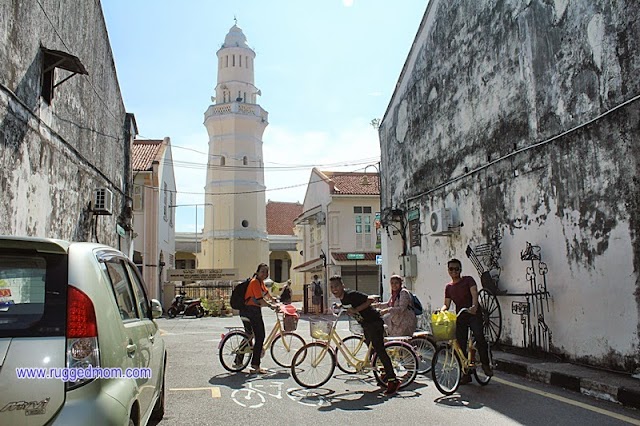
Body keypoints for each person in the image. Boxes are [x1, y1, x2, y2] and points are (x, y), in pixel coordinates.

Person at [329, 275, 402, 396]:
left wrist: (356, 310)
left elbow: (370, 300)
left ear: (342, 286)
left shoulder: (351, 294)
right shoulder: (343, 299)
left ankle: (393, 380)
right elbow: (349, 306)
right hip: (366, 325)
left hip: (374, 322)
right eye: (332, 287)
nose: (334, 289)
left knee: (380, 350)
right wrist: (340, 307)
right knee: (373, 351)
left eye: (336, 286)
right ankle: (384, 372)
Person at [440, 258, 493, 384]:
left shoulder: (468, 280)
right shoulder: (448, 287)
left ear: (460, 269)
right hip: (460, 316)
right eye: (451, 269)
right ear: (448, 270)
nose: (454, 271)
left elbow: (474, 293)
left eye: (456, 269)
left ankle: (486, 364)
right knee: (460, 343)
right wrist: (441, 310)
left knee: (479, 336)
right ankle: (465, 373)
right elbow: (446, 304)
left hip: (473, 313)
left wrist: (474, 306)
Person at [237, 263, 277, 374]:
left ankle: (238, 361)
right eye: (263, 271)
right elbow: (260, 299)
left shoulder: (260, 282)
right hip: (251, 311)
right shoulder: (255, 282)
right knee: (260, 336)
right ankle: (255, 365)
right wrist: (271, 306)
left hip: (246, 311)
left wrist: (274, 300)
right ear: (258, 272)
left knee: (248, 336)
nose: (265, 274)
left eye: (267, 272)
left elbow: (266, 294)